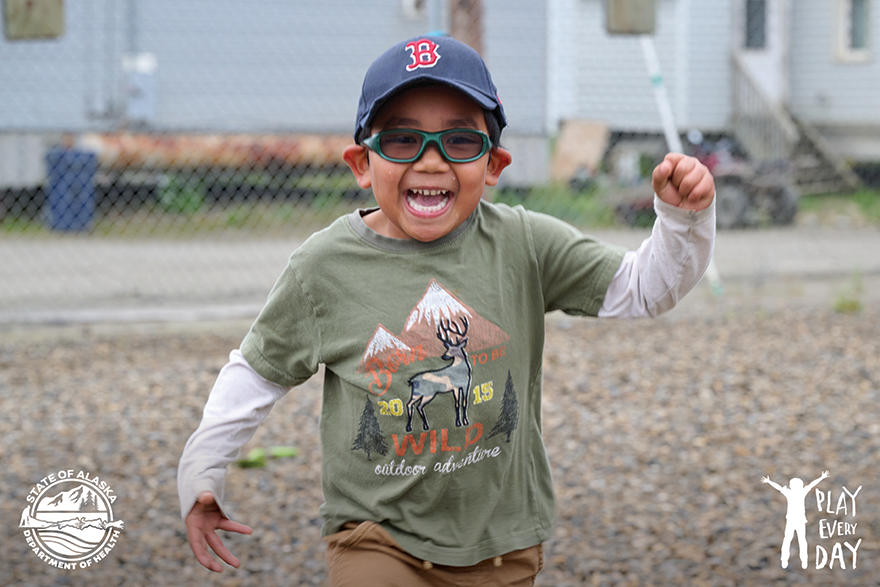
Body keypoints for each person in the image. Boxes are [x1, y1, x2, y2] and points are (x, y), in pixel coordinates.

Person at [178, 35, 716, 586]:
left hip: (500, 546)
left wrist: (681, 221)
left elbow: (645, 288)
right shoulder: (324, 267)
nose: (430, 160)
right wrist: (201, 470)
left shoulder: (523, 244)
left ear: (494, 165)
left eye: (458, 141)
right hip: (376, 537)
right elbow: (256, 371)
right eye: (403, 139)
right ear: (362, 164)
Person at [762, 471, 830, 569]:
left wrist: (769, 481)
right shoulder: (798, 492)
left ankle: (796, 561)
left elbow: (780, 487)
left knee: (794, 540)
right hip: (795, 520)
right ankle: (790, 560)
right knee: (797, 540)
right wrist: (769, 481)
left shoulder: (794, 492)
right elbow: (811, 485)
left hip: (797, 520)